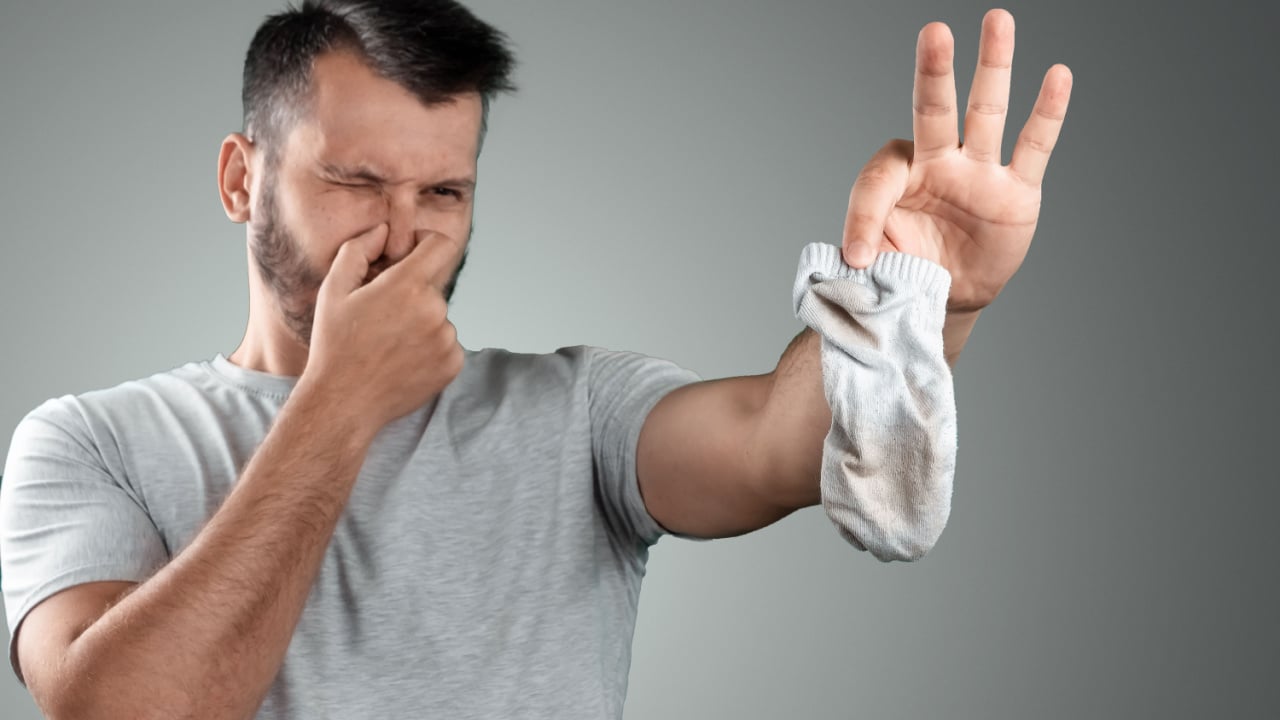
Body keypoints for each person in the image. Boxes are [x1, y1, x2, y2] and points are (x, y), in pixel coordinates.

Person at [0, 1, 1071, 718]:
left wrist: (921, 302)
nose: (401, 234)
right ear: (242, 180)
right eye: (354, 182)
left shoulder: (578, 412)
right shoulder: (89, 441)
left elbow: (780, 447)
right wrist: (339, 402)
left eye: (443, 194)